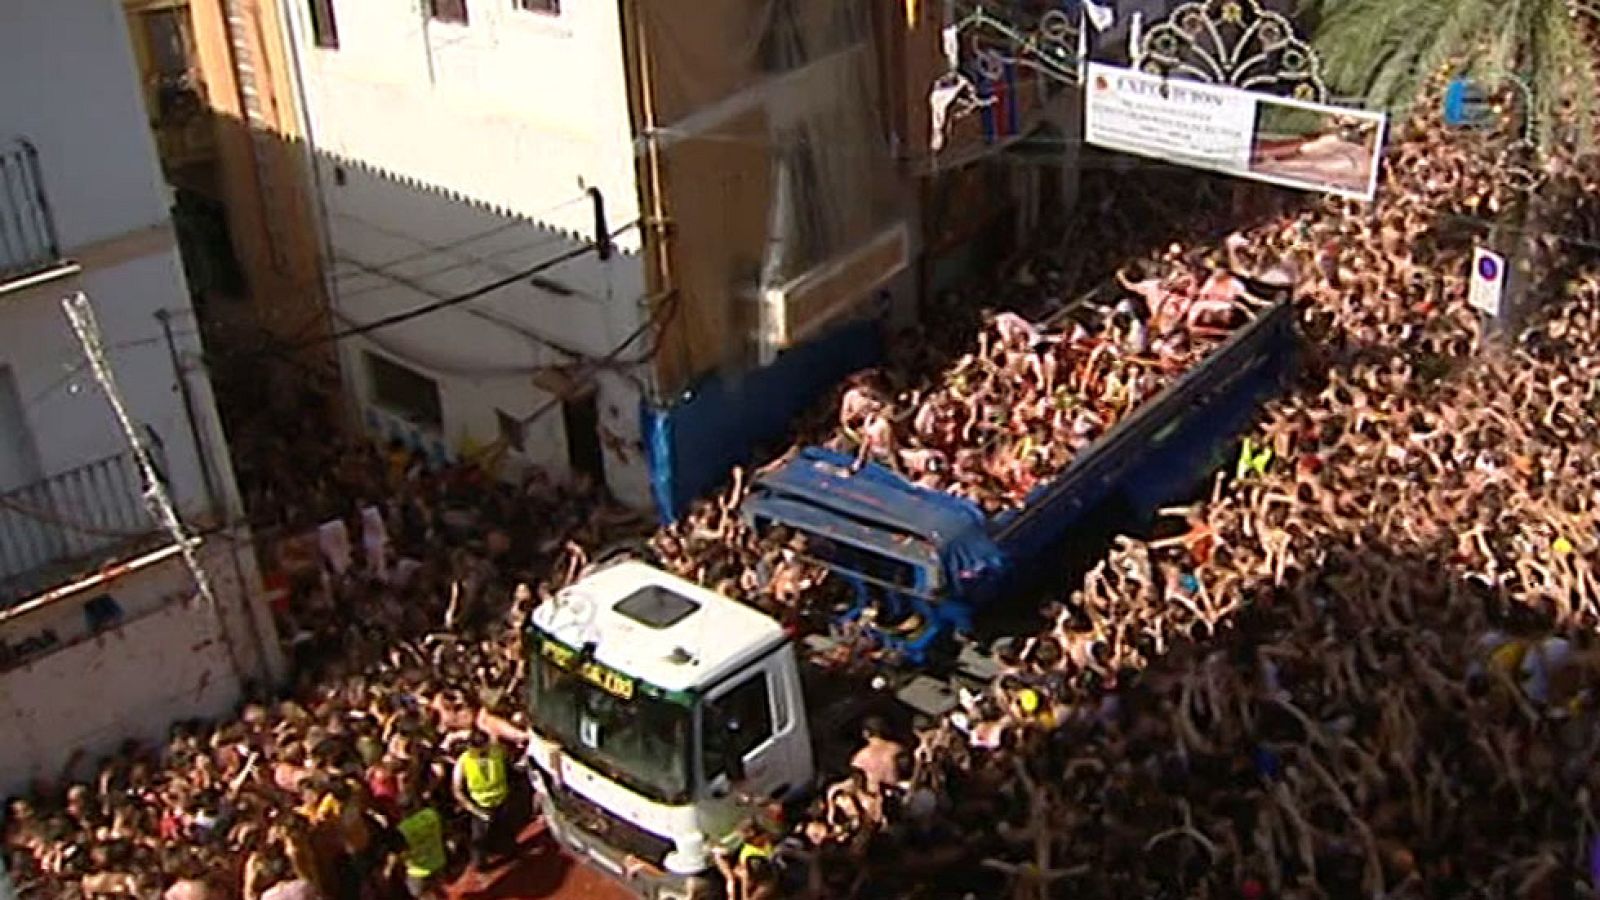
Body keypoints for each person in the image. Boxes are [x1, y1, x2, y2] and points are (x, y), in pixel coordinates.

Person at [451, 732, 511, 868]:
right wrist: (476, 811)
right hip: (480, 805)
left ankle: (506, 850)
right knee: (479, 838)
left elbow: (508, 762)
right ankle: (480, 863)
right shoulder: (464, 761)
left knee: (504, 830)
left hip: (502, 800)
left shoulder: (498, 751)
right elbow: (457, 790)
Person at [393, 789, 446, 899]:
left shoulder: (402, 829)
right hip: (438, 861)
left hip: (418, 872)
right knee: (437, 888)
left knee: (422, 895)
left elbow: (402, 854)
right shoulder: (431, 814)